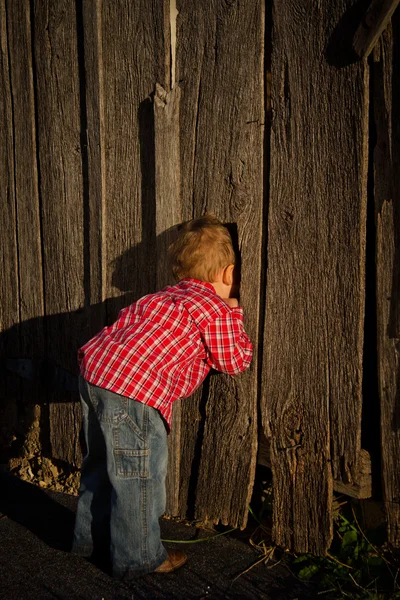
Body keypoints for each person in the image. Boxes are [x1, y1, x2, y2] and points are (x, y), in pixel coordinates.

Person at [72, 214, 253, 579]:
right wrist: (234, 316)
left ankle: (88, 539)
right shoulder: (214, 309)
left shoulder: (158, 298)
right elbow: (233, 361)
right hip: (133, 392)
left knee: (100, 466)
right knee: (138, 475)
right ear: (230, 274)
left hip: (94, 375)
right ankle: (139, 557)